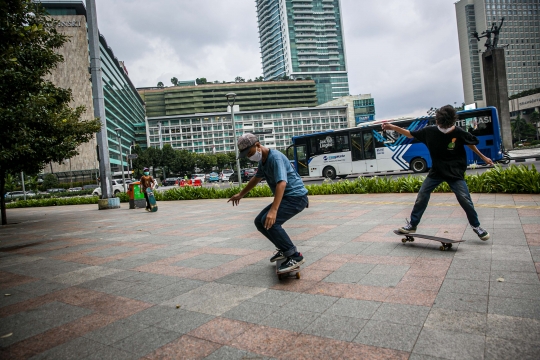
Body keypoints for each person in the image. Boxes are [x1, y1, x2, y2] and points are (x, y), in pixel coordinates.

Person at [382, 105, 494, 240]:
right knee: (422, 194)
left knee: (464, 199)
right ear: (438, 121)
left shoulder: (459, 132)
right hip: (436, 172)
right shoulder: (429, 131)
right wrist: (393, 127)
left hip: (454, 173)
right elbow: (410, 134)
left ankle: (476, 226)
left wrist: (482, 156)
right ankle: (412, 224)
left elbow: (470, 142)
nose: (445, 129)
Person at [228, 134, 309, 273]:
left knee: (271, 222)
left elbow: (281, 183)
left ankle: (295, 256)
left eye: (250, 153)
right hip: (287, 198)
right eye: (246, 155)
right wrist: (241, 194)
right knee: (259, 222)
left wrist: (273, 210)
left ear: (258, 145)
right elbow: (256, 178)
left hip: (296, 197)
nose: (249, 157)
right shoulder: (263, 160)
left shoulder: (275, 158)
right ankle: (284, 250)